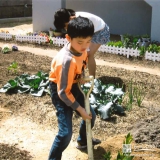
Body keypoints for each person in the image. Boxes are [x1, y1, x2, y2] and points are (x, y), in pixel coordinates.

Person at [48, 16, 101, 160]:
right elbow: (63, 93)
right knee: (65, 133)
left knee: (92, 116)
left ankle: (82, 141)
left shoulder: (82, 49)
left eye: (88, 41)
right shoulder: (66, 61)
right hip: (60, 90)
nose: (85, 46)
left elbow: (82, 62)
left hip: (73, 84)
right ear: (68, 38)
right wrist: (80, 109)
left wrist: (80, 76)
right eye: (80, 42)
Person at [54, 8, 110, 77]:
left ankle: (92, 79)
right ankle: (80, 75)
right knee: (80, 52)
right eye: (64, 27)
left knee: (89, 55)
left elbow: (83, 37)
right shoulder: (72, 20)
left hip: (100, 30)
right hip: (91, 30)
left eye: (66, 25)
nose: (66, 28)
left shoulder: (80, 22)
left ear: (71, 18)